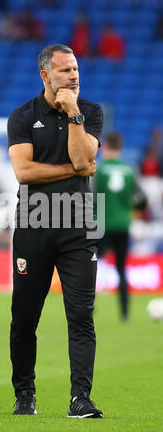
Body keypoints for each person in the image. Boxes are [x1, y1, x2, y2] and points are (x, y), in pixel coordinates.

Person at [7, 44, 104, 418]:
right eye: (64, 71)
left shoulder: (91, 111)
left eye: (76, 68)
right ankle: (25, 395)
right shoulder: (22, 116)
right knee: (25, 317)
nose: (74, 76)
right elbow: (25, 172)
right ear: (45, 75)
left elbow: (85, 158)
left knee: (81, 314)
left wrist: (74, 112)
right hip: (34, 226)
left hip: (79, 227)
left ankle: (80, 398)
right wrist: (74, 171)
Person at [94, 132, 138, 320]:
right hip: (123, 225)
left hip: (102, 224)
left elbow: (93, 197)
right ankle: (125, 312)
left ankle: (89, 307)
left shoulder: (99, 170)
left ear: (106, 146)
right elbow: (138, 199)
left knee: (91, 266)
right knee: (121, 268)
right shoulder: (129, 170)